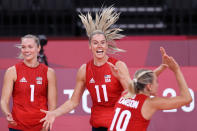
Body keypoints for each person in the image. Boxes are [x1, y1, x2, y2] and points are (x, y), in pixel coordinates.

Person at [40, 6, 166, 131]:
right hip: (97, 126)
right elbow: (73, 102)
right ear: (90, 46)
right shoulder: (84, 70)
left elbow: (133, 93)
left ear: (106, 45)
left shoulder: (118, 65)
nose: (99, 46)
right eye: (95, 43)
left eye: (102, 42)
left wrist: (120, 77)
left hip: (117, 125)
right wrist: (54, 113)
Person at [108, 47, 192, 131]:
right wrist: (176, 70)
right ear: (149, 86)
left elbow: (142, 80)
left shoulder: (126, 93)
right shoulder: (150, 103)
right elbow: (187, 98)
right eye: (157, 82)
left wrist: (162, 67)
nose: (158, 85)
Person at [0, 34, 57, 131]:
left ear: (38, 48)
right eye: (23, 47)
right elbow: (4, 100)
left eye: (30, 47)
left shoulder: (49, 72)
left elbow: (52, 103)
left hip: (41, 126)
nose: (26, 50)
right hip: (17, 126)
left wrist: (49, 118)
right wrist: (7, 113)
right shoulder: (12, 71)